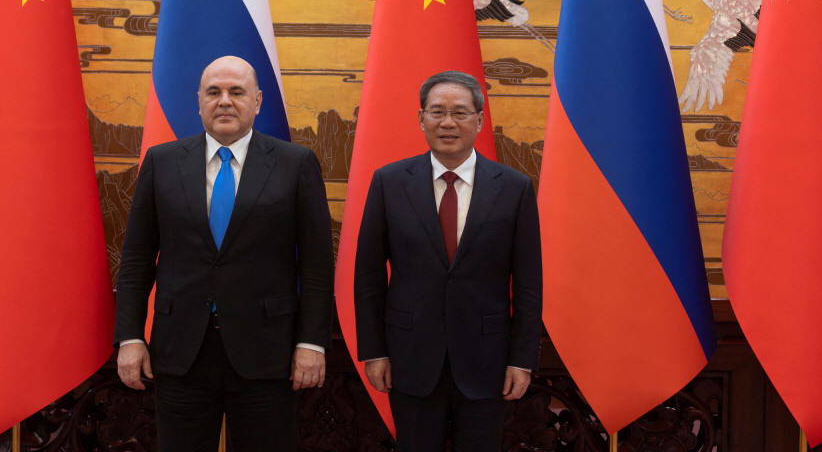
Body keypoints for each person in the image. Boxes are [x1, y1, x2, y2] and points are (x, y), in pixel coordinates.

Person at [113, 55, 333, 452]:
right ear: (198, 101)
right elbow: (135, 262)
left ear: (258, 101)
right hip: (181, 351)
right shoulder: (162, 162)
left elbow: (317, 265)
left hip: (269, 354)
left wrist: (312, 342)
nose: (225, 101)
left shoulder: (295, 164)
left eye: (237, 92)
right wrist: (130, 337)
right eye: (213, 92)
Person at [353, 70, 542, 451]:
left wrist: (521, 359)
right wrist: (374, 351)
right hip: (410, 359)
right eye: (437, 112)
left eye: (460, 112)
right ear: (421, 118)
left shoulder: (514, 187)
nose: (448, 122)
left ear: (479, 120)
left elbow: (528, 283)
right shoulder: (390, 182)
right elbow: (368, 276)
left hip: (487, 361)